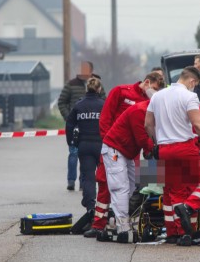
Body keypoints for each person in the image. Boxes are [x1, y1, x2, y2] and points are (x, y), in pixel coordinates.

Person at [145, 66, 200, 247]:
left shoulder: (157, 96)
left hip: (164, 150)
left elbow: (148, 124)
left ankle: (173, 232)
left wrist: (157, 143)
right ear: (192, 81)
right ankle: (188, 216)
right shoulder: (189, 96)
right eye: (194, 85)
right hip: (185, 148)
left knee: (172, 191)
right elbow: (198, 124)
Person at [83, 71, 165, 238]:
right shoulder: (122, 92)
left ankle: (121, 221)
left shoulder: (150, 103)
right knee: (109, 184)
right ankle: (102, 224)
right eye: (155, 89)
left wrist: (152, 153)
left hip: (132, 150)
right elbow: (106, 119)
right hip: (115, 145)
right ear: (147, 82)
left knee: (135, 187)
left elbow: (149, 135)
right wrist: (108, 142)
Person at [99, 100, 155, 243]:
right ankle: (123, 226)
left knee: (132, 187)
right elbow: (142, 138)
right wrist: (154, 150)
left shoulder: (151, 110)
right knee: (120, 188)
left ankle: (121, 220)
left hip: (126, 151)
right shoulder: (139, 111)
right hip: (115, 149)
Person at [65, 77, 105, 233]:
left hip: (84, 145)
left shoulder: (79, 105)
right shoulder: (104, 105)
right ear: (99, 89)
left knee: (88, 178)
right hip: (101, 146)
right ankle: (103, 208)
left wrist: (71, 143)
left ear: (86, 89)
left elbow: (69, 124)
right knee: (103, 178)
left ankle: (90, 207)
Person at [58, 61, 104, 191]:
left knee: (86, 156)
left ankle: (84, 182)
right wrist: (69, 117)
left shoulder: (98, 83)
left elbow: (105, 101)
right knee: (73, 153)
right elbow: (62, 102)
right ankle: (71, 181)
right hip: (76, 125)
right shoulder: (71, 84)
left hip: (92, 127)